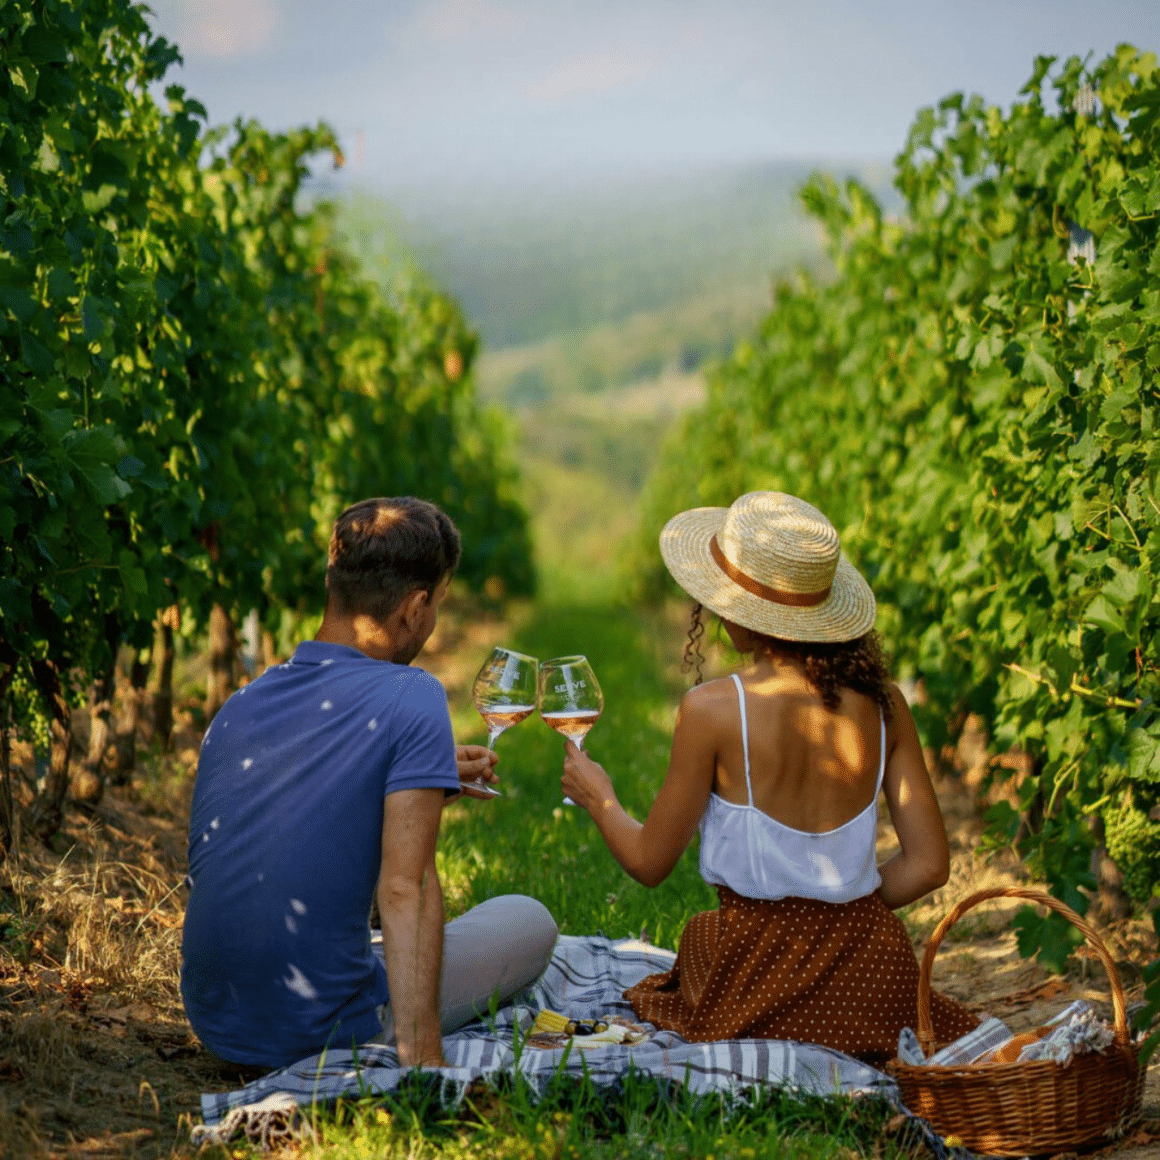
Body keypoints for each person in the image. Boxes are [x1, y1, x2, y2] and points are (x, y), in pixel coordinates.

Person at [561, 491, 977, 1066]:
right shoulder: (886, 704)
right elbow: (930, 864)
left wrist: (598, 797)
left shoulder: (713, 709)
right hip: (872, 973)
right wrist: (838, 911)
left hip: (755, 974)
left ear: (737, 610)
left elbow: (650, 863)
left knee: (700, 941)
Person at [181, 497, 557, 1072]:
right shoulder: (414, 695)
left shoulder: (242, 702)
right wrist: (424, 1062)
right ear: (414, 607)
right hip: (322, 1028)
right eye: (438, 606)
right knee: (530, 920)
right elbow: (406, 891)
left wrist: (426, 775)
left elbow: (304, 812)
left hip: (216, 1020)